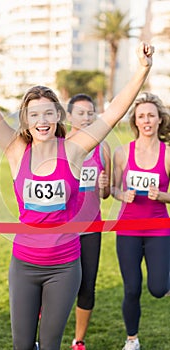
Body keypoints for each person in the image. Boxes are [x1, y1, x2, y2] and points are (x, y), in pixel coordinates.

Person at [0, 27, 154, 350]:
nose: (42, 120)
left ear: (57, 116)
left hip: (65, 266)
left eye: (48, 113)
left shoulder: (74, 150)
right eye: (34, 114)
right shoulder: (15, 150)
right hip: (23, 264)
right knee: (22, 344)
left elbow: (113, 112)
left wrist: (142, 70)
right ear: (25, 119)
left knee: (50, 344)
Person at [111, 92, 170, 350]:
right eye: (141, 116)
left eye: (151, 116)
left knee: (158, 289)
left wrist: (164, 196)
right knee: (132, 288)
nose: (146, 120)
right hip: (128, 230)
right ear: (135, 121)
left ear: (160, 120)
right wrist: (121, 193)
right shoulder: (122, 153)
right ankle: (132, 340)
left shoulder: (168, 154)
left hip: (158, 229)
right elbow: (112, 188)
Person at [66, 94, 111, 350]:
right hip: (62, 228)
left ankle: (78, 340)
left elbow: (104, 194)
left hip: (91, 227)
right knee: (58, 283)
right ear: (70, 116)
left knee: (88, 284)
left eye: (90, 113)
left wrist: (104, 187)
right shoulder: (59, 145)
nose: (86, 118)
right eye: (80, 113)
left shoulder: (102, 148)